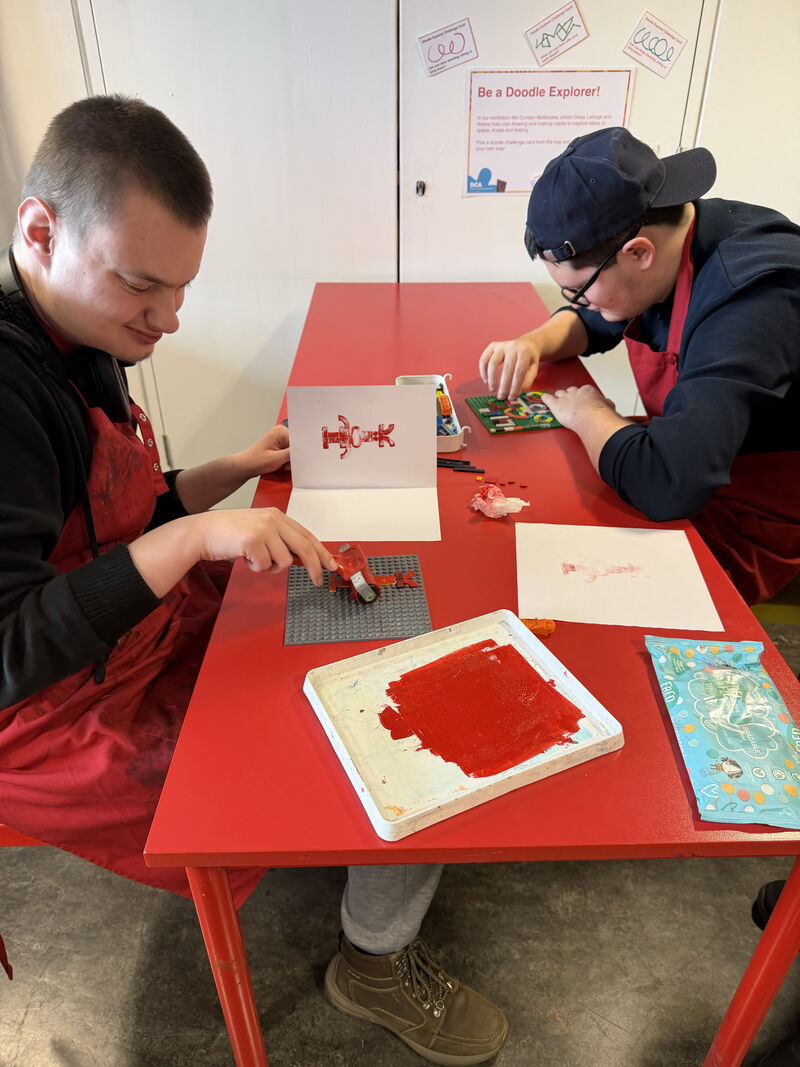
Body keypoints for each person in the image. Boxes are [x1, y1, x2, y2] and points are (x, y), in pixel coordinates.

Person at [0, 95, 507, 1064]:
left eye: (182, 288)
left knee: (375, 636)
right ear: (39, 228)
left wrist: (224, 471)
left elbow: (115, 514)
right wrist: (195, 539)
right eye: (143, 285)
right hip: (50, 712)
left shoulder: (73, 334)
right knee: (390, 732)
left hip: (120, 637)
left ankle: (355, 863)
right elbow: (9, 650)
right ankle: (370, 959)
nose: (169, 319)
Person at [478, 127, 800, 605]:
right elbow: (601, 322)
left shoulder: (751, 299)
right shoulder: (668, 235)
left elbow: (667, 483)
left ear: (638, 254)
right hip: (700, 457)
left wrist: (590, 414)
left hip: (754, 510)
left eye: (579, 291)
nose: (577, 303)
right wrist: (534, 343)